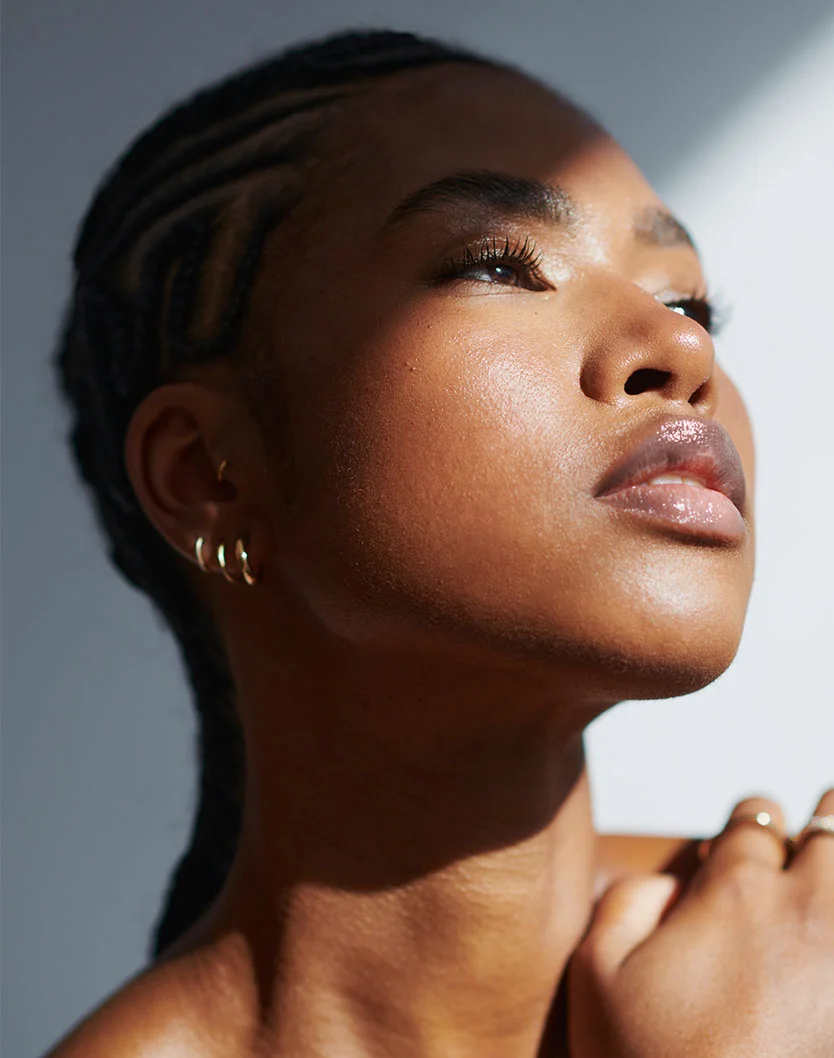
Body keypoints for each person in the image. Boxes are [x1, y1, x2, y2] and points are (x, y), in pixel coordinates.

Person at [46, 28, 833, 1058]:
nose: (682, 348)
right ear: (208, 475)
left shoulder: (803, 953)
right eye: (501, 264)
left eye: (688, 300)